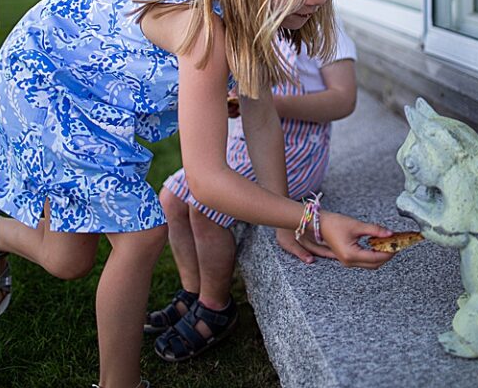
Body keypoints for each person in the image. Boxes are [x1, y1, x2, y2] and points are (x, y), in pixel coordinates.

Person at [0, 0, 396, 388]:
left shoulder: (250, 7)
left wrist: (285, 219)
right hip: (49, 81)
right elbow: (207, 179)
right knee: (141, 234)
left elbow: (259, 114)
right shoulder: (204, 28)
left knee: (68, 259)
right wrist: (314, 218)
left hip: (82, 83)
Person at [144, 24, 360, 361]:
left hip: (298, 150)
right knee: (171, 199)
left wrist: (274, 103)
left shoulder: (324, 30)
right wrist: (234, 101)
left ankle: (215, 307)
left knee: (206, 208)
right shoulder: (248, 25)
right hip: (244, 144)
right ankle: (192, 291)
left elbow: (343, 99)